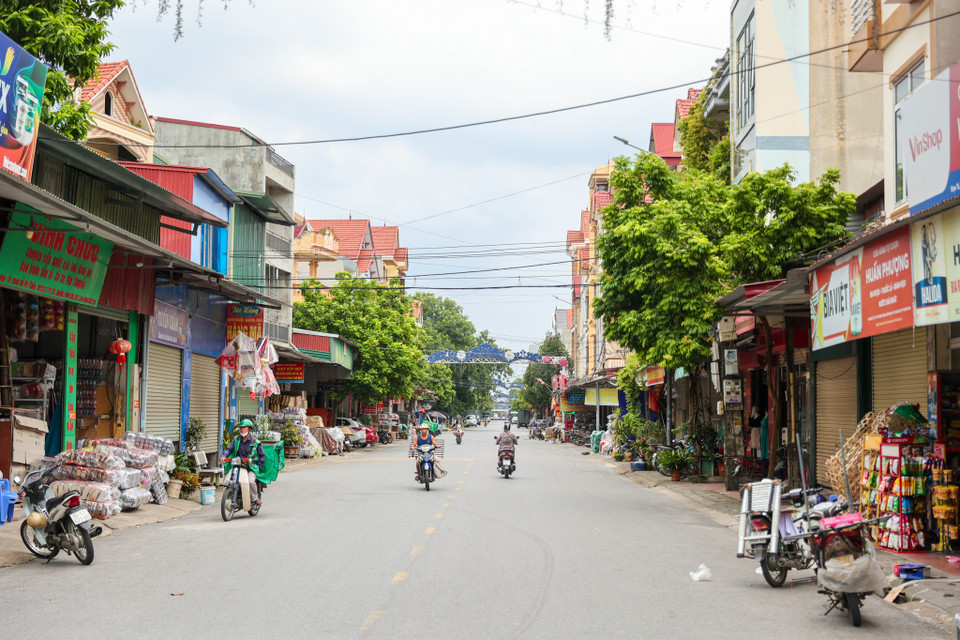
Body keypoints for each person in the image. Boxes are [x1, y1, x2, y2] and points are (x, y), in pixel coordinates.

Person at [226, 419, 265, 505]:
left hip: (250, 467)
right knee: (230, 480)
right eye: (241, 428)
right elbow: (229, 449)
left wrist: (258, 467)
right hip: (238, 466)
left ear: (249, 429)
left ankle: (255, 499)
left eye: (244, 427)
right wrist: (223, 456)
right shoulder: (236, 440)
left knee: (251, 481)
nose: (242, 429)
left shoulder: (255, 443)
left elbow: (262, 456)